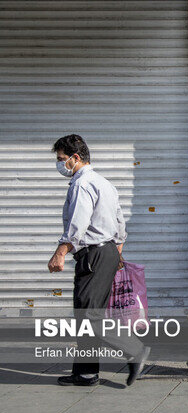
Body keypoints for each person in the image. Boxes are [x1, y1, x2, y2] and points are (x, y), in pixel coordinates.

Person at [49, 134, 149, 387]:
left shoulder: (82, 184)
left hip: (93, 255)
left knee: (89, 315)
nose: (60, 164)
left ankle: (135, 350)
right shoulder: (105, 183)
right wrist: (117, 252)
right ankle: (86, 373)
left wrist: (61, 252)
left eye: (62, 159)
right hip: (106, 252)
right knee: (86, 315)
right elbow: (119, 222)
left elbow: (78, 223)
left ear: (75, 158)